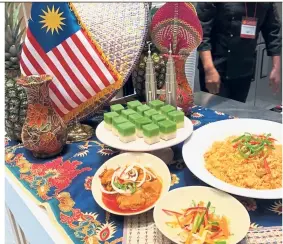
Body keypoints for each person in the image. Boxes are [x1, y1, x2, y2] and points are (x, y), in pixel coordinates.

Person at [197, 2, 281, 102]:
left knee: (236, 112)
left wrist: (276, 68)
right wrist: (209, 69)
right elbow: (201, 32)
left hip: (244, 70)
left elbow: (273, 31)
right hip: (216, 69)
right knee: (214, 114)